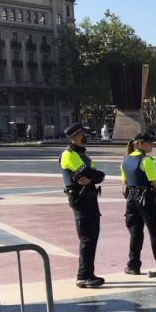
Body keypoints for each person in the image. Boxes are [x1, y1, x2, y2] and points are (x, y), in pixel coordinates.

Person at [59, 123, 105, 288]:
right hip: (82, 200)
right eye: (82, 133)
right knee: (87, 238)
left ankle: (89, 274)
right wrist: (94, 176)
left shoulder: (82, 155)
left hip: (90, 200)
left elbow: (96, 175)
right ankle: (83, 276)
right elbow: (87, 174)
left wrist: (94, 177)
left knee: (92, 238)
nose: (85, 135)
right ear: (74, 136)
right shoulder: (69, 155)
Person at [120, 132, 156, 275]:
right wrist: (155, 196)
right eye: (149, 143)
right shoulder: (147, 161)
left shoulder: (125, 160)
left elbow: (125, 183)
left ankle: (133, 265)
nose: (151, 145)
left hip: (131, 199)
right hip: (146, 199)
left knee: (135, 233)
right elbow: (155, 183)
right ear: (139, 144)